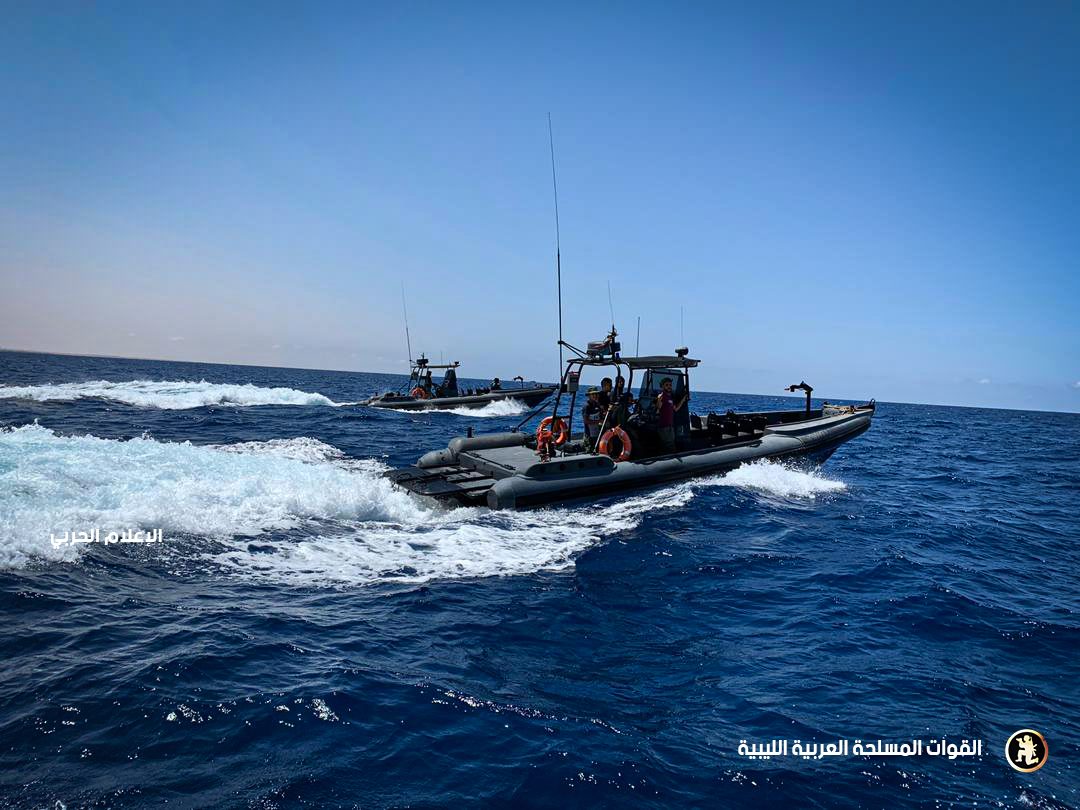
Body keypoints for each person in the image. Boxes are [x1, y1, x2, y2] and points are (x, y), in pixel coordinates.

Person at [655, 377, 687, 453]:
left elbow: (675, 409)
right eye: (667, 385)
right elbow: (658, 409)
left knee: (669, 444)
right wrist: (658, 400)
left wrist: (683, 400)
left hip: (670, 426)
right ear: (662, 386)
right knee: (669, 446)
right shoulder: (662, 397)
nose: (669, 386)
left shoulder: (670, 397)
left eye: (670, 385)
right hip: (664, 427)